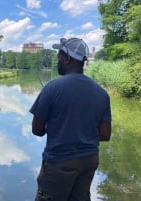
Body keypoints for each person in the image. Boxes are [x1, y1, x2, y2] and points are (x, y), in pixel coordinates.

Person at [29, 38, 111, 201]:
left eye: (59, 56)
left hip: (60, 162)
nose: (57, 60)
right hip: (89, 161)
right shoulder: (102, 93)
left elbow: (37, 130)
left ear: (67, 58)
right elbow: (105, 134)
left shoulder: (52, 88)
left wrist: (58, 129)